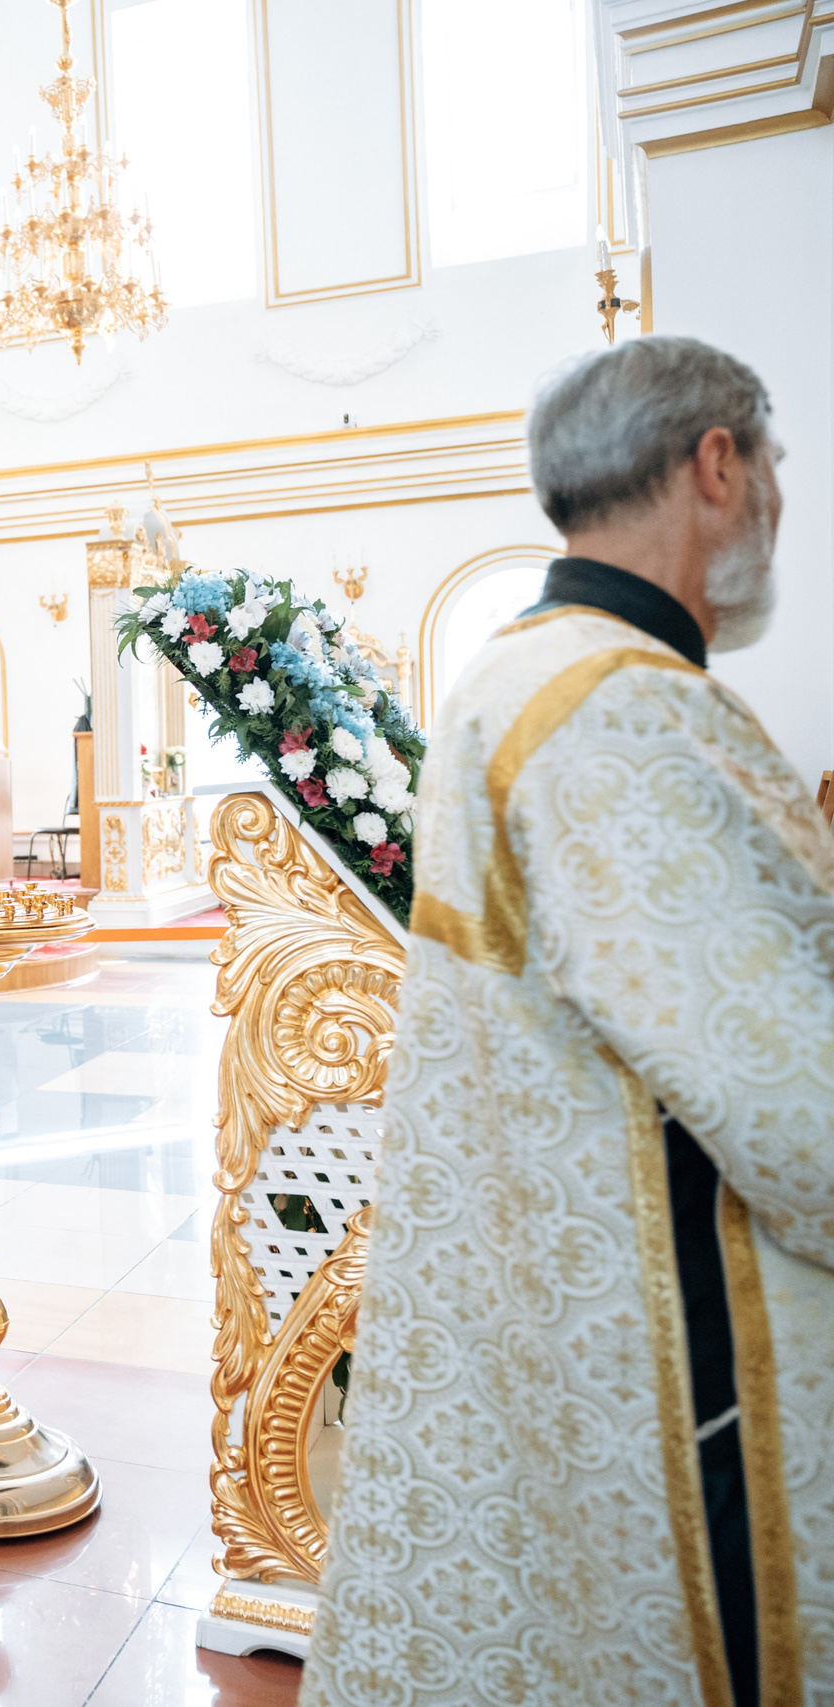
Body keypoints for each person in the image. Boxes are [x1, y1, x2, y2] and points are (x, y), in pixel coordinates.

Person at [303, 337, 834, 1707]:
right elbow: (797, 1100)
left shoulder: (513, 666)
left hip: (562, 1297)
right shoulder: (630, 707)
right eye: (770, 460)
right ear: (717, 462)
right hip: (676, 1359)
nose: (778, 492)